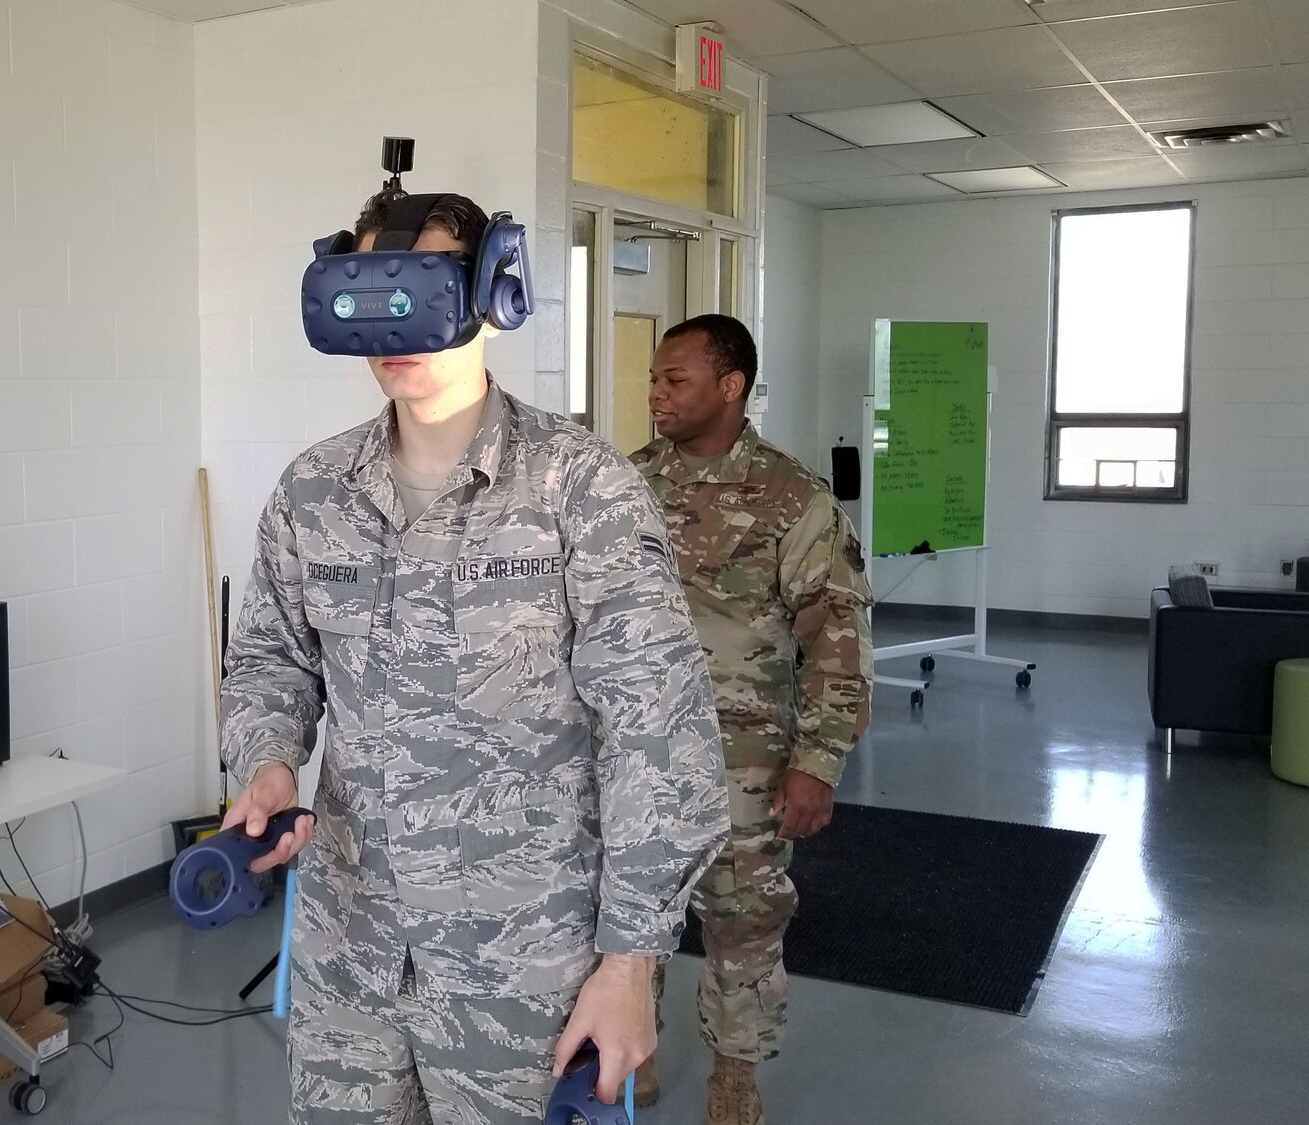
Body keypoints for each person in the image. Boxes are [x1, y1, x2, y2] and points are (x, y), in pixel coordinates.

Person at [219, 187, 729, 1124]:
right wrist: (267, 762)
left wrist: (631, 963)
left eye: (423, 292)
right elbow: (270, 661)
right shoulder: (313, 492)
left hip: (521, 964)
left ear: (495, 292)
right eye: (368, 294)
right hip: (351, 954)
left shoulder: (584, 489)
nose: (394, 327)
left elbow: (657, 733)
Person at [626, 314, 872, 1124]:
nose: (656, 392)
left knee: (744, 917)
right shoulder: (624, 486)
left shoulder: (791, 497)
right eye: (655, 379)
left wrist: (819, 762)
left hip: (745, 759)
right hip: (628, 753)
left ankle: (735, 1075)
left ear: (730, 386)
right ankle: (636, 1049)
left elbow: (836, 634)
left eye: (676, 379)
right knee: (631, 909)